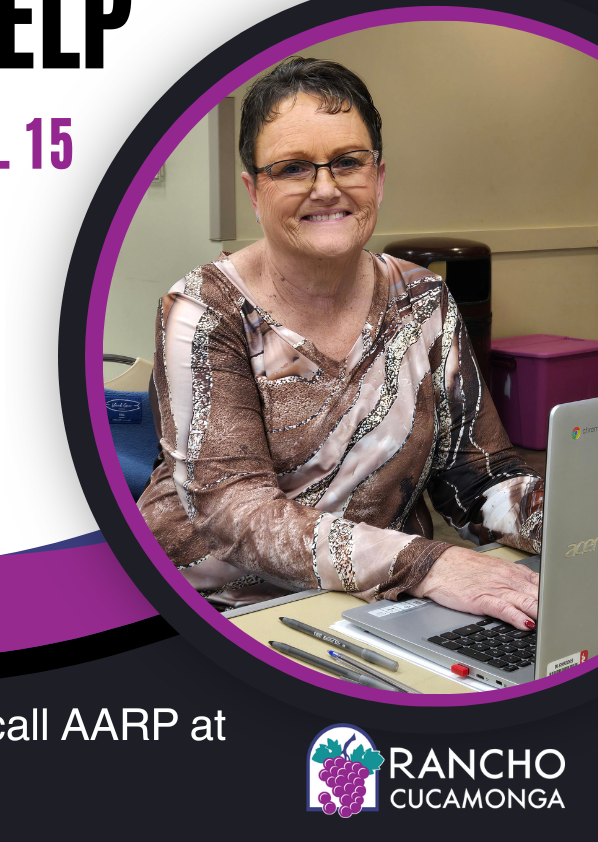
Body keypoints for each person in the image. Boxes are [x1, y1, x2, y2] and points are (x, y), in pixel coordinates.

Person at [138, 57, 542, 630]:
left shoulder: (422, 300)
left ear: (377, 177)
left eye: (348, 162)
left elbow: (475, 479)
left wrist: (565, 519)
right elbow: (232, 512)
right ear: (254, 191)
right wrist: (425, 565)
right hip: (218, 611)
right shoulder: (205, 308)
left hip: (380, 608)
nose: (326, 188)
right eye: (294, 167)